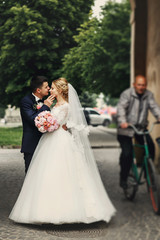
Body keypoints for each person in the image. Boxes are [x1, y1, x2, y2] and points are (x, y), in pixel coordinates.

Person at [9, 78, 116, 225]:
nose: (50, 90)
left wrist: (47, 122)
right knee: (44, 174)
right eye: (48, 87)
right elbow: (42, 120)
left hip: (58, 140)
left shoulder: (65, 106)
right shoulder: (49, 103)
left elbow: (55, 123)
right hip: (49, 139)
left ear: (59, 90)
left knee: (61, 172)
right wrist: (45, 114)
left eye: (52, 88)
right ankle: (41, 209)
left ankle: (67, 211)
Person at [117, 75, 160, 189]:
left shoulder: (148, 95)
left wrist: (159, 116)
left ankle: (148, 175)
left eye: (144, 85)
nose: (141, 87)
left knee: (150, 147)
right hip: (125, 129)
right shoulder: (127, 94)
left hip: (140, 128)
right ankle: (124, 178)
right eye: (139, 84)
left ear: (146, 85)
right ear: (134, 84)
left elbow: (154, 107)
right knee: (127, 154)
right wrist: (123, 121)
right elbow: (121, 108)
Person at [20, 76, 54, 173]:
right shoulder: (26, 101)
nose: (49, 88)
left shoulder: (45, 101)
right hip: (31, 144)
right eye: (46, 87)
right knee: (31, 173)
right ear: (38, 90)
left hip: (46, 143)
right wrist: (45, 106)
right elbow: (32, 119)